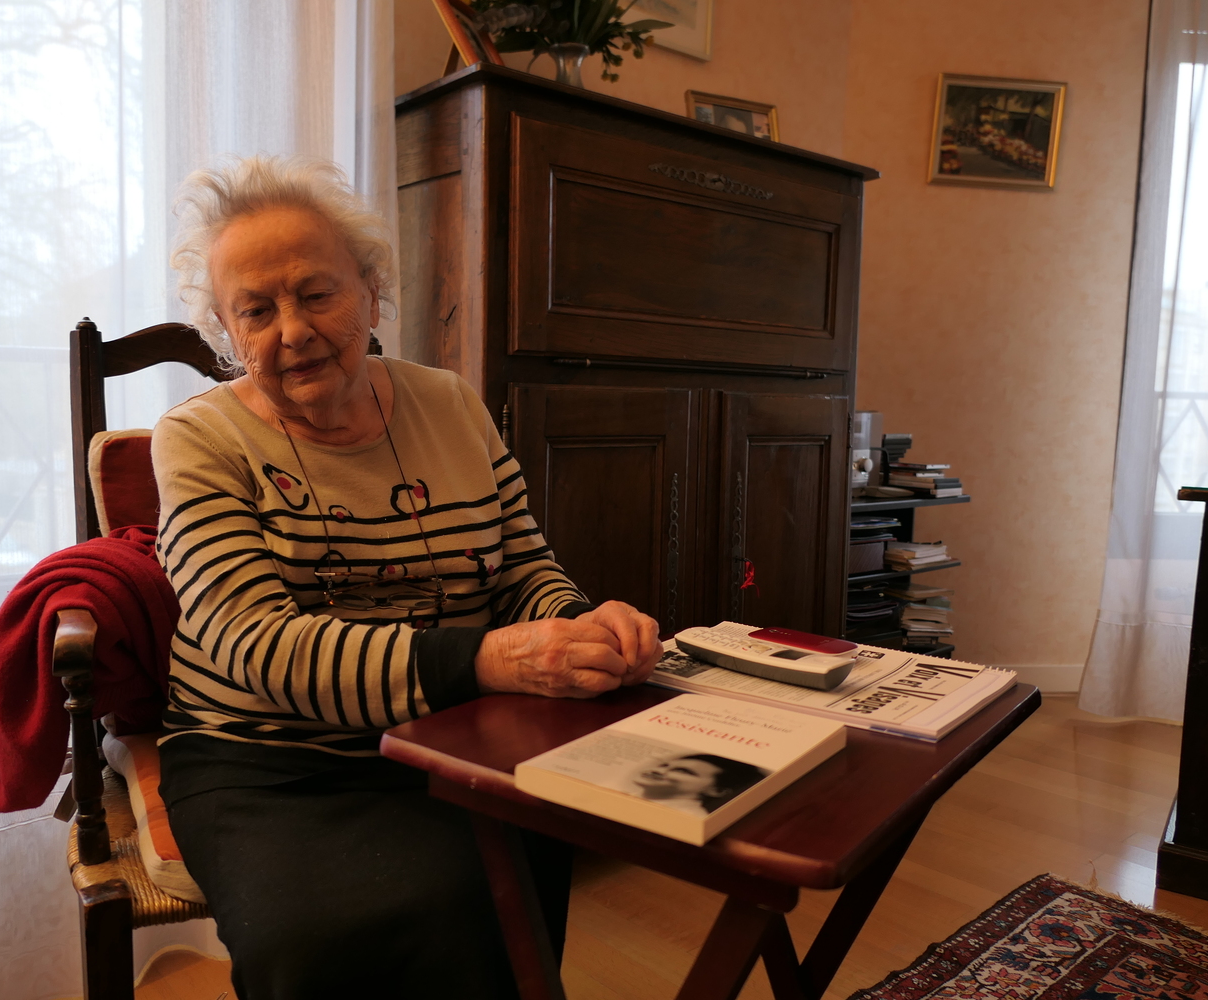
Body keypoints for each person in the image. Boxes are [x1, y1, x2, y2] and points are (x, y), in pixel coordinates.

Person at [152, 154, 662, 1000]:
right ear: (224, 333)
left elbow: (524, 565)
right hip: (268, 757)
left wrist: (577, 625)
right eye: (256, 309)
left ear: (373, 292)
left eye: (317, 293)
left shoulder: (451, 403)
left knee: (510, 890)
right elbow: (257, 647)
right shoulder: (196, 438)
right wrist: (494, 660)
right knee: (321, 936)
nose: (293, 329)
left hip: (455, 735)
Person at [632, 754, 769, 815]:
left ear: (717, 790)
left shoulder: (688, 818)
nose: (657, 770)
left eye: (682, 771)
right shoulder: (632, 796)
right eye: (664, 765)